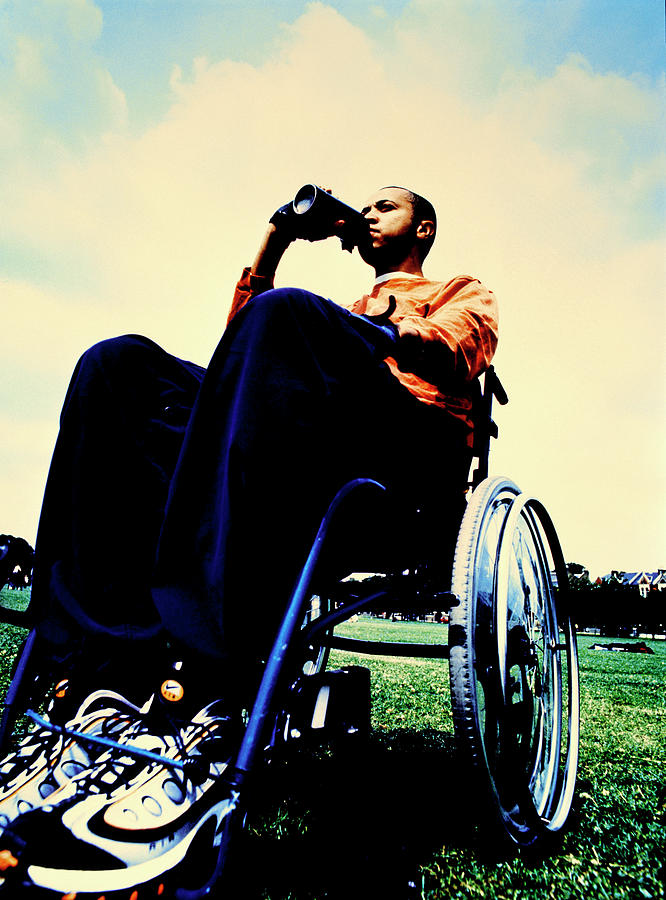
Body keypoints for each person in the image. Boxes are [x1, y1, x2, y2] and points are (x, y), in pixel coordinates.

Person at [0, 185, 498, 896]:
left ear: (422, 226)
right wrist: (280, 236)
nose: (367, 212)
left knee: (284, 314)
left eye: (384, 205)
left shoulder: (458, 288)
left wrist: (375, 325)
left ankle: (206, 685)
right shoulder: (310, 320)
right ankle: (90, 676)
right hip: (290, 426)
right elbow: (238, 358)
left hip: (397, 446)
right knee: (118, 366)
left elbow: (461, 347)